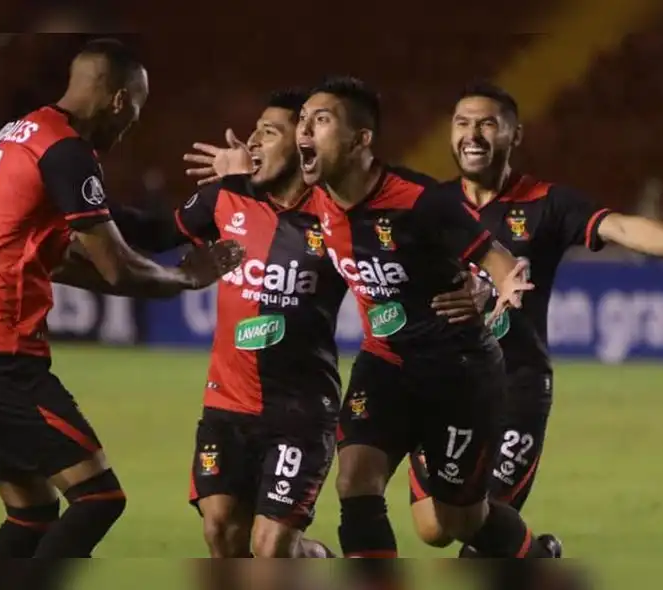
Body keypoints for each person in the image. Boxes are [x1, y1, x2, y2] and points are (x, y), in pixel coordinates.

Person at [107, 89, 489, 558]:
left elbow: (415, 254)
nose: (253, 143)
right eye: (254, 134)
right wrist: (81, 208)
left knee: (271, 550)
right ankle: (317, 557)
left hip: (301, 409)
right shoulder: (225, 197)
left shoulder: (332, 214)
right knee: (222, 533)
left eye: (269, 133)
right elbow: (155, 233)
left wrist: (477, 283)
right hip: (227, 402)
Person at [407, 82, 663, 557]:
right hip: (445, 390)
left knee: (480, 532)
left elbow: (623, 227)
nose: (473, 134)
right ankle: (540, 556)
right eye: (462, 123)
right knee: (434, 528)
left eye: (487, 123)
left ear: (514, 135)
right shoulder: (428, 207)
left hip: (514, 386)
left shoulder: (546, 203)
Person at [0, 38, 242, 571]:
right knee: (98, 499)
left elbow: (118, 244)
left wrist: (228, 192)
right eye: (136, 109)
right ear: (119, 100)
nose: (133, 124)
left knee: (32, 515)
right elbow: (117, 263)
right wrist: (190, 280)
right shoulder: (65, 151)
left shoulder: (23, 136)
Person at [296, 76, 556, 559]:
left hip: (457, 374)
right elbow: (259, 183)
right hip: (384, 364)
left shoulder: (420, 200)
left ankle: (534, 559)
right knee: (354, 479)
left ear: (360, 140)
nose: (304, 129)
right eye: (302, 119)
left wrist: (501, 287)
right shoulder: (311, 194)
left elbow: (497, 259)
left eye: (321, 119)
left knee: (458, 520)